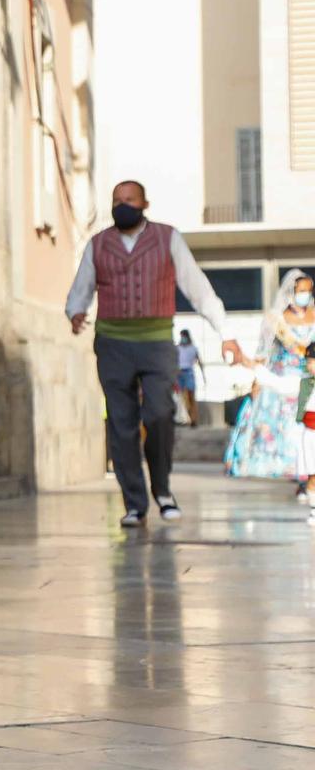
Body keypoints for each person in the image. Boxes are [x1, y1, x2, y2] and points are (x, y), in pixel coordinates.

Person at [66, 180, 248, 526]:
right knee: (121, 424)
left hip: (156, 343)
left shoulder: (168, 238)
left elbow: (199, 289)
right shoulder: (98, 244)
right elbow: (81, 287)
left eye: (129, 200)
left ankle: (162, 489)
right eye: (116, 200)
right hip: (113, 343)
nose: (122, 205)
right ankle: (134, 503)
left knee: (160, 414)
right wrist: (75, 310)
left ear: (144, 203)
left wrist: (226, 334)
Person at [225, 270, 315, 503]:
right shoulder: (276, 319)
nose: (306, 295)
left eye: (308, 290)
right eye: (302, 291)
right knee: (291, 434)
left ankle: (308, 480)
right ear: (291, 292)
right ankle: (301, 478)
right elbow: (264, 350)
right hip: (285, 378)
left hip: (310, 379)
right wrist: (257, 379)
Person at [175, 330, 201, 427]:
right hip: (179, 372)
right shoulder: (177, 348)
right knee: (183, 397)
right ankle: (189, 418)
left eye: (183, 336)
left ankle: (194, 419)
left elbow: (199, 360)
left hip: (189, 372)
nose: (182, 338)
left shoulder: (193, 348)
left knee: (191, 396)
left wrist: (203, 375)